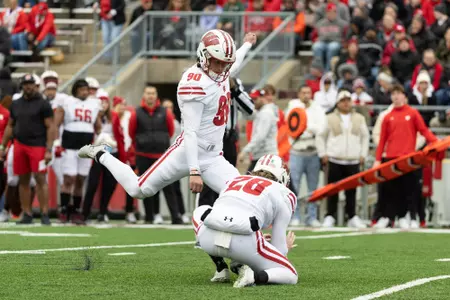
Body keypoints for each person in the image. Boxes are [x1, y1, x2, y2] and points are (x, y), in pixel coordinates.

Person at [78, 29, 256, 282]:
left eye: (225, 63)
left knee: (241, 199)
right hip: (187, 153)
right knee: (139, 189)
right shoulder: (194, 82)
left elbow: (234, 62)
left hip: (214, 157)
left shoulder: (221, 71)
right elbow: (191, 132)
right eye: (217, 62)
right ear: (204, 56)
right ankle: (101, 155)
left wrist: (247, 45)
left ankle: (231, 264)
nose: (222, 68)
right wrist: (194, 170)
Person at [192, 154, 298, 288]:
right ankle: (254, 276)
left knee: (201, 210)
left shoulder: (235, 180)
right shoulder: (283, 193)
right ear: (282, 176)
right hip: (244, 244)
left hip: (208, 239)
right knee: (290, 273)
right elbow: (279, 248)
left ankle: (221, 268)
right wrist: (282, 248)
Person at [373, 84, 437, 229]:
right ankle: (389, 217)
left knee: (409, 190)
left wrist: (436, 142)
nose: (396, 97)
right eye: (393, 94)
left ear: (404, 96)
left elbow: (424, 131)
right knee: (390, 190)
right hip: (390, 158)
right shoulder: (387, 117)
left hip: (408, 159)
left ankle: (409, 216)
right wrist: (378, 159)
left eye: (398, 93)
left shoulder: (413, 113)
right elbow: (382, 140)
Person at [0, 74, 56, 225]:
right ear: (22, 85)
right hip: (19, 144)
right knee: (22, 180)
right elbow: (10, 126)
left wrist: (49, 149)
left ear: (35, 85)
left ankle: (44, 213)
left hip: (38, 145)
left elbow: (50, 126)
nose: (28, 86)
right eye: (25, 84)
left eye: (30, 83)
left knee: (40, 178)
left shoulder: (43, 104)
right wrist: (3, 146)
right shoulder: (16, 104)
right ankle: (27, 213)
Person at [317, 90, 369, 228]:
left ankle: (352, 216)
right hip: (335, 159)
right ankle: (330, 216)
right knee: (332, 190)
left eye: (348, 100)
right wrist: (323, 154)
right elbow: (320, 136)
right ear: (338, 103)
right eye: (343, 100)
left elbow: (365, 137)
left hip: (353, 160)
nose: (346, 103)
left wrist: (363, 154)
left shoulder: (359, 118)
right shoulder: (329, 117)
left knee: (352, 191)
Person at [55, 79, 102, 223]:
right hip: (69, 144)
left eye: (86, 89)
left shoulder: (94, 103)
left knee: (81, 179)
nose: (85, 92)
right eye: (82, 89)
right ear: (75, 90)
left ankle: (75, 210)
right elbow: (56, 123)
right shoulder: (66, 101)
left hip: (86, 146)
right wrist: (56, 142)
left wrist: (100, 139)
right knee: (69, 178)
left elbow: (98, 125)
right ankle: (64, 208)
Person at [40, 70, 69, 187]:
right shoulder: (39, 100)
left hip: (58, 141)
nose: (51, 91)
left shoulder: (64, 99)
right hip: (42, 142)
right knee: (41, 177)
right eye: (48, 88)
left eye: (53, 88)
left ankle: (65, 204)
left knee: (62, 175)